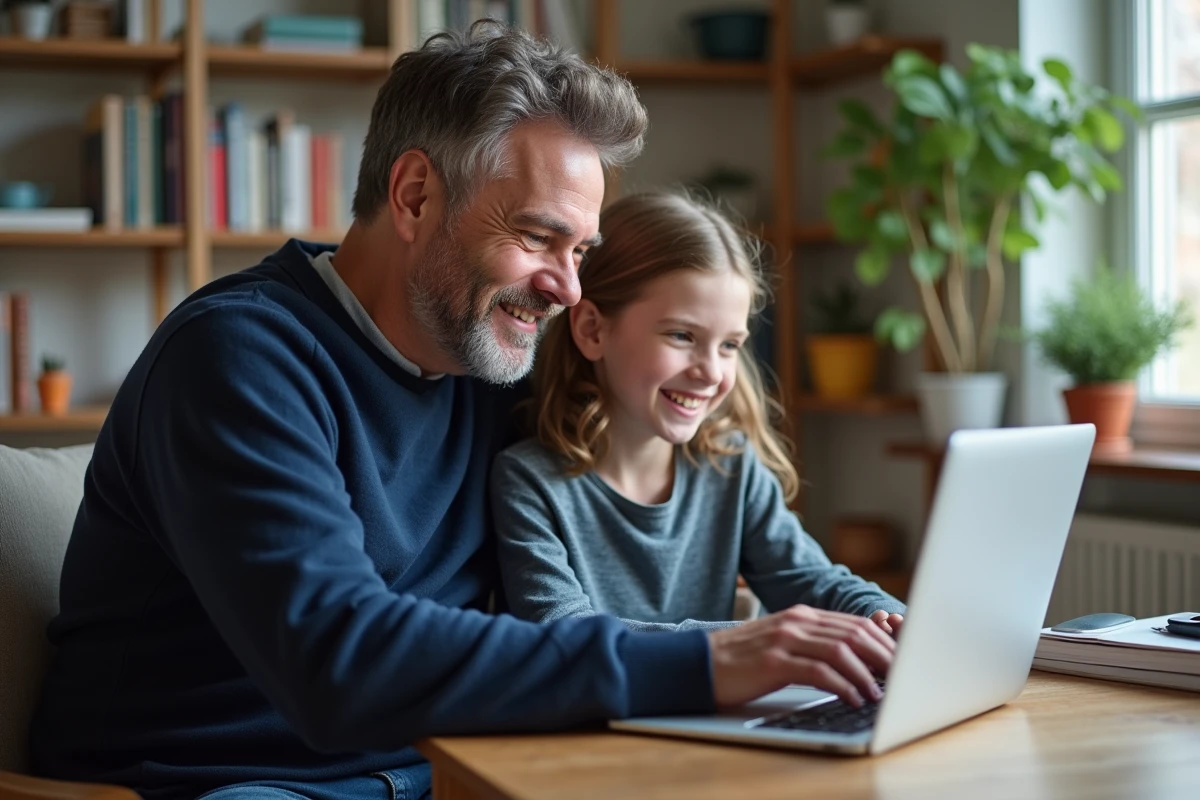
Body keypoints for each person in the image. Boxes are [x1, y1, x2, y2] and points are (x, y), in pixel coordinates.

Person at [30, 24, 897, 800]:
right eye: (537, 236)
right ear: (413, 196)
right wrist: (712, 659)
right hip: (228, 782)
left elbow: (657, 425)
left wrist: (892, 629)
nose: (566, 287)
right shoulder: (239, 359)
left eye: (582, 250)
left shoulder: (496, 355)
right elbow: (342, 664)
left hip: (451, 768)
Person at [493, 190, 906, 635]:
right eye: (682, 336)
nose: (711, 372)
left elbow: (814, 581)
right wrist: (752, 641)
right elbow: (566, 635)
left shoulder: (731, 467)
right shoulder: (528, 483)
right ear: (593, 329)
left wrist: (891, 619)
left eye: (730, 345)